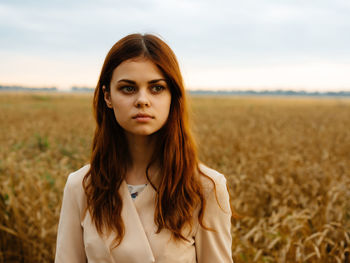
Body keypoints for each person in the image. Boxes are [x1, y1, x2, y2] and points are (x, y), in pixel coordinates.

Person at [55, 33, 233, 263]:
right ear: (107, 96)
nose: (142, 100)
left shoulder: (205, 188)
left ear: (173, 96)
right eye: (128, 88)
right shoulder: (81, 187)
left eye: (157, 88)